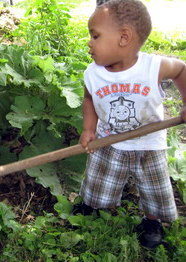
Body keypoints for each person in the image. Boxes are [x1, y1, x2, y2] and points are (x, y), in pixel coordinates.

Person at [76, 0, 186, 249]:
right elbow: (89, 98)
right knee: (99, 178)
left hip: (149, 142)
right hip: (108, 139)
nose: (89, 43)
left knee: (153, 185)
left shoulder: (153, 68)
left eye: (95, 36)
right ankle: (91, 205)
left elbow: (181, 70)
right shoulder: (93, 73)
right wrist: (89, 129)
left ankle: (151, 221)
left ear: (124, 37)